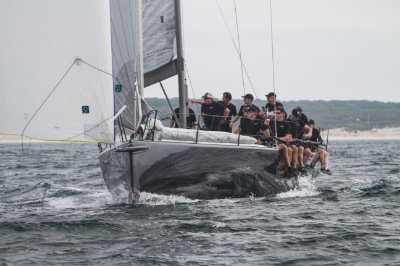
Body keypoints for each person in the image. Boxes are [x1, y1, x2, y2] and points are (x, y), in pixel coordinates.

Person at [263, 106, 295, 177]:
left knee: (289, 149)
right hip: (272, 142)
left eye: (278, 113)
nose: (276, 114)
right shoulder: (271, 122)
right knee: (285, 147)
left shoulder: (286, 123)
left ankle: (286, 169)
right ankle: (288, 168)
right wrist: (265, 124)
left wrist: (280, 138)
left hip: (281, 142)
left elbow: (288, 136)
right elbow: (265, 132)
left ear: (282, 114)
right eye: (274, 113)